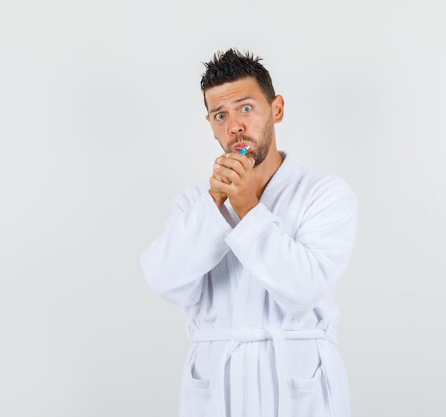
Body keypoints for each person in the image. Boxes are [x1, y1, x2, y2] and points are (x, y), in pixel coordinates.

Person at [140, 48, 357, 417]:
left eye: (246, 108)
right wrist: (216, 204)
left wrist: (246, 207)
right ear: (210, 124)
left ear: (277, 109)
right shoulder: (195, 204)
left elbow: (303, 290)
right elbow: (164, 281)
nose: (234, 126)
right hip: (217, 382)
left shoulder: (324, 194)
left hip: (298, 381)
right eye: (220, 115)